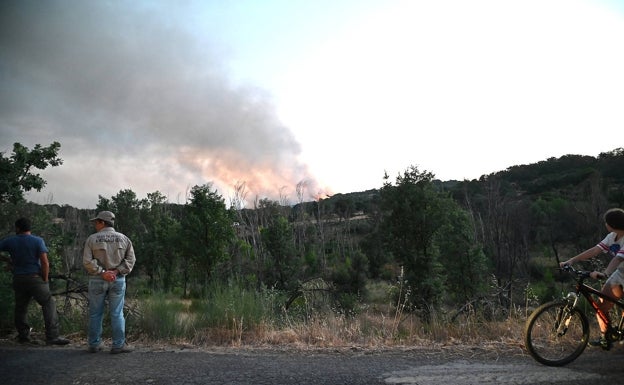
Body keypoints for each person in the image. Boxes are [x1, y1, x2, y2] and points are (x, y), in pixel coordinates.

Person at [560, 207, 624, 350]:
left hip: (618, 270)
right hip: (621, 274)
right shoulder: (612, 236)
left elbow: (618, 259)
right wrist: (571, 261)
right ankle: (605, 337)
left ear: (612, 224)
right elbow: (595, 250)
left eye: (606, 222)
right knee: (602, 307)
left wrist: (605, 273)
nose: (605, 224)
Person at [0, 217, 69, 345]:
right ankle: (52, 336)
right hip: (35, 278)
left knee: (21, 308)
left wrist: (7, 260)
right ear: (29, 228)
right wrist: (45, 278)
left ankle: (24, 337)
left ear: (18, 228)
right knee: (48, 304)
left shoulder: (10, 241)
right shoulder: (37, 241)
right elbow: (44, 262)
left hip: (18, 278)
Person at [83, 210, 136, 354]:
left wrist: (102, 272)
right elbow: (131, 260)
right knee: (117, 313)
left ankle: (94, 344)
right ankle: (118, 345)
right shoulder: (124, 239)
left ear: (102, 222)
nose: (95, 225)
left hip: (96, 279)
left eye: (96, 222)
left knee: (95, 313)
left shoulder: (92, 239)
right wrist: (116, 272)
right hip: (117, 279)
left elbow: (87, 262)